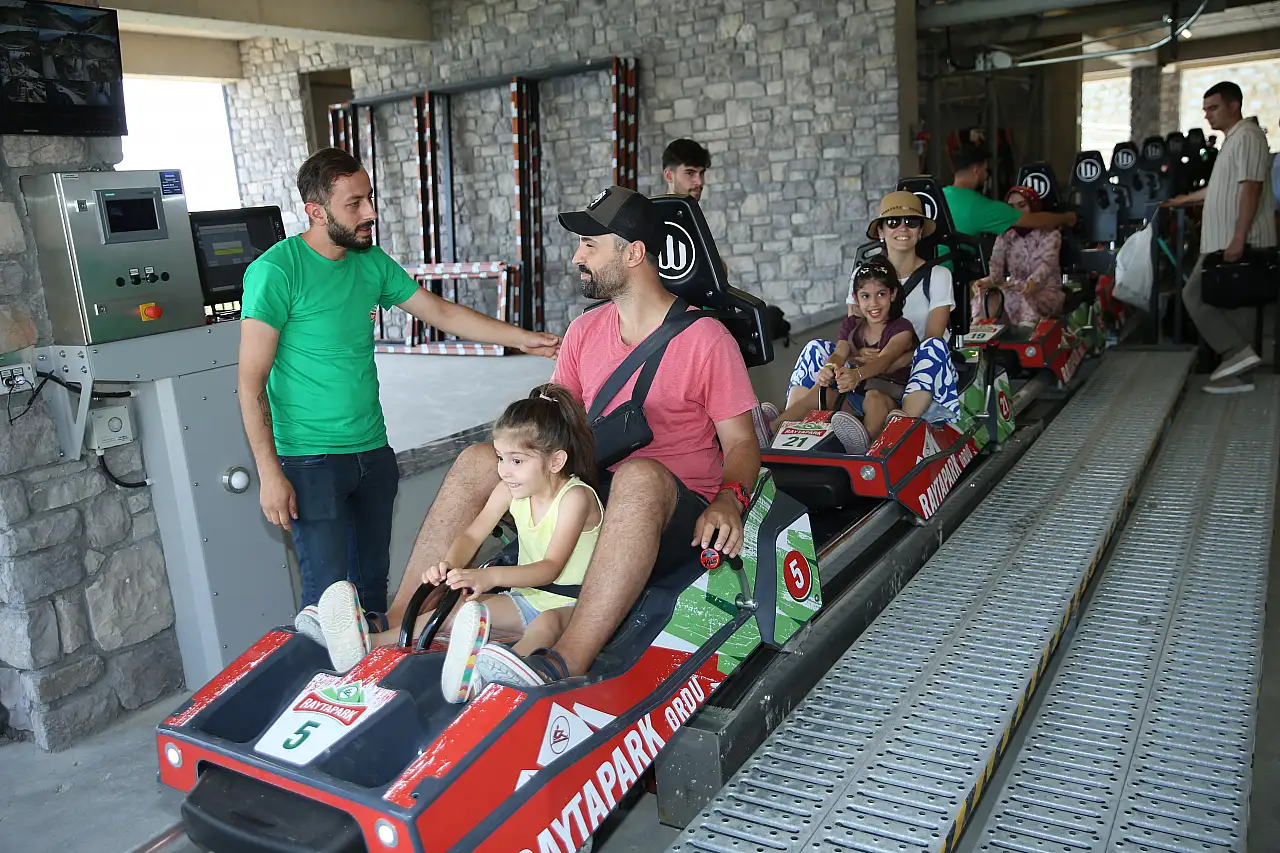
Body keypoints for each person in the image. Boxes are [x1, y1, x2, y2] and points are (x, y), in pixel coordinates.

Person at [382, 185, 760, 688]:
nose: (577, 256)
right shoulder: (584, 331)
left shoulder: (706, 339)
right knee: (479, 459)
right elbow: (552, 429)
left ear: (633, 253)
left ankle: (567, 660)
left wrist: (729, 501)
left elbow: (740, 442)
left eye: (589, 245)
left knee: (641, 475)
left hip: (670, 510)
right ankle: (397, 623)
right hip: (590, 495)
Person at [239, 147, 561, 638]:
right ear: (316, 211)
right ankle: (322, 694)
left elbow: (442, 313)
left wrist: (522, 339)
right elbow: (250, 381)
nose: (370, 212)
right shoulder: (277, 271)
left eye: (370, 198)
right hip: (310, 459)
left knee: (371, 596)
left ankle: (368, 692)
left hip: (372, 452)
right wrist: (268, 472)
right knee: (326, 603)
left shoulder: (370, 262)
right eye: (355, 204)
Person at [311, 384, 603, 701]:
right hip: (527, 598)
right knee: (463, 610)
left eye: (517, 461)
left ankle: (491, 672)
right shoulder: (510, 490)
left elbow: (550, 568)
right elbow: (472, 535)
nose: (504, 471)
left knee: (546, 624)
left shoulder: (575, 498)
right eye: (501, 458)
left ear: (556, 461)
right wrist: (451, 565)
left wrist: (487, 576)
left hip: (571, 603)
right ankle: (369, 643)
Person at [764, 192, 960, 450]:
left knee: (932, 348)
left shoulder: (938, 275)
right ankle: (789, 425)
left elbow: (933, 336)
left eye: (911, 222)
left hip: (913, 368)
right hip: (865, 368)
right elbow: (854, 331)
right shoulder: (862, 274)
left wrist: (889, 361)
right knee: (816, 348)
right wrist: (843, 365)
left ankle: (904, 423)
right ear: (881, 230)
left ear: (920, 230)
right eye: (893, 222)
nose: (902, 228)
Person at [1164, 82, 1277, 394]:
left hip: (1239, 242)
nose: (1207, 116)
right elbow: (1221, 188)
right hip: (1222, 242)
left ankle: (1238, 360)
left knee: (1196, 296)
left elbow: (1251, 187)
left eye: (1213, 108)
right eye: (1205, 110)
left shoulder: (1249, 137)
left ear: (1234, 105)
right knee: (1228, 305)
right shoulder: (1232, 141)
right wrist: (1184, 200)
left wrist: (1239, 239)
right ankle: (1240, 373)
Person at [970, 186, 1065, 326]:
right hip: (1014, 289)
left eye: (1022, 206)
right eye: (1011, 207)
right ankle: (979, 336)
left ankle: (1028, 339)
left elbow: (1046, 266)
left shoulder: (1051, 235)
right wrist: (985, 282)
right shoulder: (1005, 236)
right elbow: (995, 266)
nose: (1016, 212)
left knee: (1022, 297)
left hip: (1045, 291)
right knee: (987, 296)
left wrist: (1030, 284)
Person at [943, 143, 1077, 241]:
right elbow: (1035, 220)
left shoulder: (940, 195)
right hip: (955, 273)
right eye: (985, 170)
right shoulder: (981, 206)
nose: (986, 176)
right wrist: (1067, 217)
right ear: (975, 171)